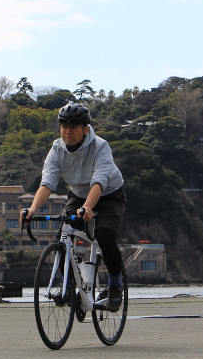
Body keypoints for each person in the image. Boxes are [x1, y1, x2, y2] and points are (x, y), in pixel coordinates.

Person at [21, 102, 126, 311]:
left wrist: (87, 208)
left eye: (74, 127)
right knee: (64, 235)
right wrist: (32, 209)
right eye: (64, 126)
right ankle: (69, 284)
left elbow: (99, 182)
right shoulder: (57, 148)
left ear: (85, 129)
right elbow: (47, 183)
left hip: (108, 194)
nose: (68, 131)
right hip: (78, 195)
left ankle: (115, 281)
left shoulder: (101, 146)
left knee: (105, 236)